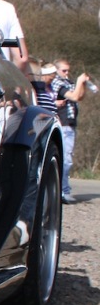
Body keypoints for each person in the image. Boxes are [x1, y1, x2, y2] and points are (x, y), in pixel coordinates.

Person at [51, 58, 91, 203]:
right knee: (65, 160)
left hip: (70, 124)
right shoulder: (57, 83)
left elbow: (78, 97)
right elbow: (73, 95)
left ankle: (64, 189)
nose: (67, 73)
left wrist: (83, 85)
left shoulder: (67, 83)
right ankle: (62, 191)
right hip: (63, 124)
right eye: (64, 70)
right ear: (56, 70)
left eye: (68, 70)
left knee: (68, 159)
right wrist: (80, 81)